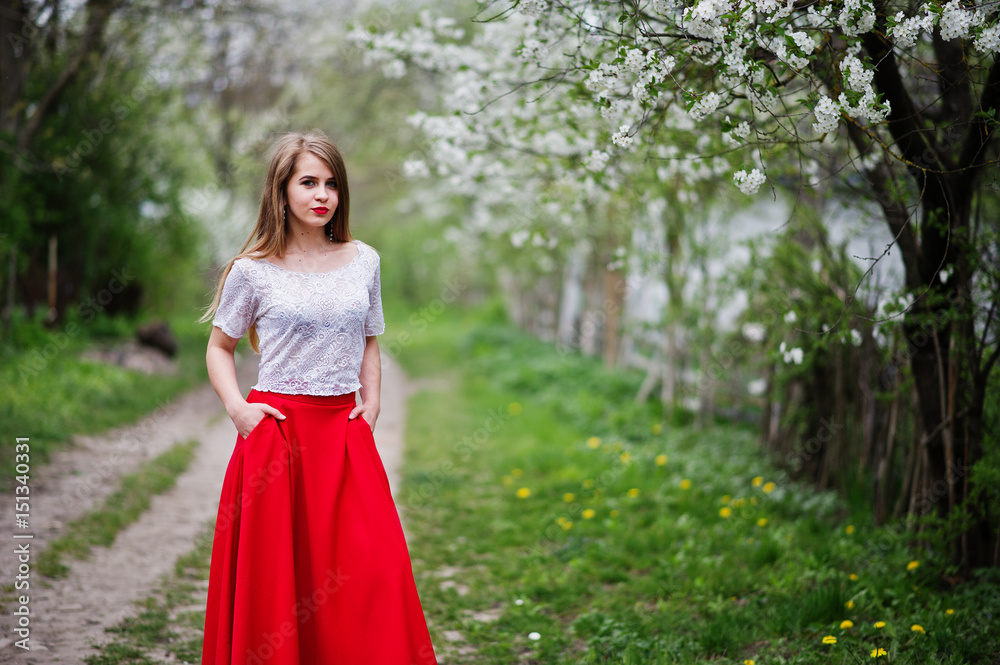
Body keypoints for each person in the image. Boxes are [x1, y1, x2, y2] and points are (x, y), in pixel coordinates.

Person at [197, 130, 438, 665]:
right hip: (275, 433)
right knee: (279, 586)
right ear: (281, 191)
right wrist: (240, 410)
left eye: (330, 183)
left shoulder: (363, 260)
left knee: (376, 567)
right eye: (307, 182)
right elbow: (219, 348)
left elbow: (370, 339)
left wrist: (371, 404)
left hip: (345, 432)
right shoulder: (252, 270)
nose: (321, 194)